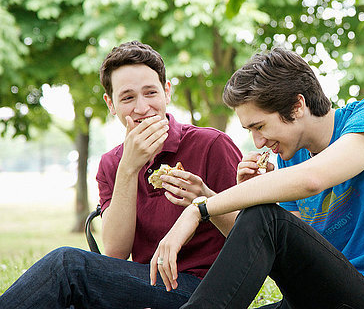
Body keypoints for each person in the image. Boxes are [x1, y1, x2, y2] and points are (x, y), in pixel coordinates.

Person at [151, 48, 364, 309]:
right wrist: (241, 194)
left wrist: (198, 209)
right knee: (262, 214)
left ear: (297, 106)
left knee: (265, 215)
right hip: (322, 297)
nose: (258, 142)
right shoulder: (292, 156)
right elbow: (286, 252)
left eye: (260, 126)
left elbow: (313, 179)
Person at [0, 41, 241, 308]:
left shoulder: (212, 145)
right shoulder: (111, 164)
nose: (142, 107)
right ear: (111, 104)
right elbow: (116, 251)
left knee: (67, 266)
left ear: (167, 92)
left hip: (206, 290)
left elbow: (251, 236)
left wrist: (205, 201)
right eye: (127, 98)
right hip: (146, 286)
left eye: (151, 93)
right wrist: (128, 167)